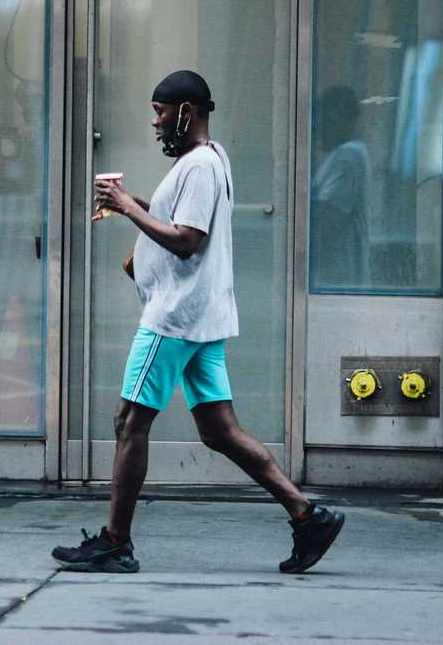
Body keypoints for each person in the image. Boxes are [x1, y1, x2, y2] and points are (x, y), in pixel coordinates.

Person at [52, 70, 344, 574]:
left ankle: (116, 542)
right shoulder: (209, 159)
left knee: (129, 422)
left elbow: (188, 240)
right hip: (200, 316)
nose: (155, 122)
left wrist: (128, 208)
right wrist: (135, 205)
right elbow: (180, 220)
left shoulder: (201, 166)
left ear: (186, 112)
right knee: (220, 430)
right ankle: (307, 516)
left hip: (174, 317)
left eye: (160, 112)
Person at [312, 85, 371, 288]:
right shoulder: (341, 155)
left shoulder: (349, 155)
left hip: (339, 279)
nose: (318, 127)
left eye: (323, 118)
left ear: (338, 117)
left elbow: (327, 218)